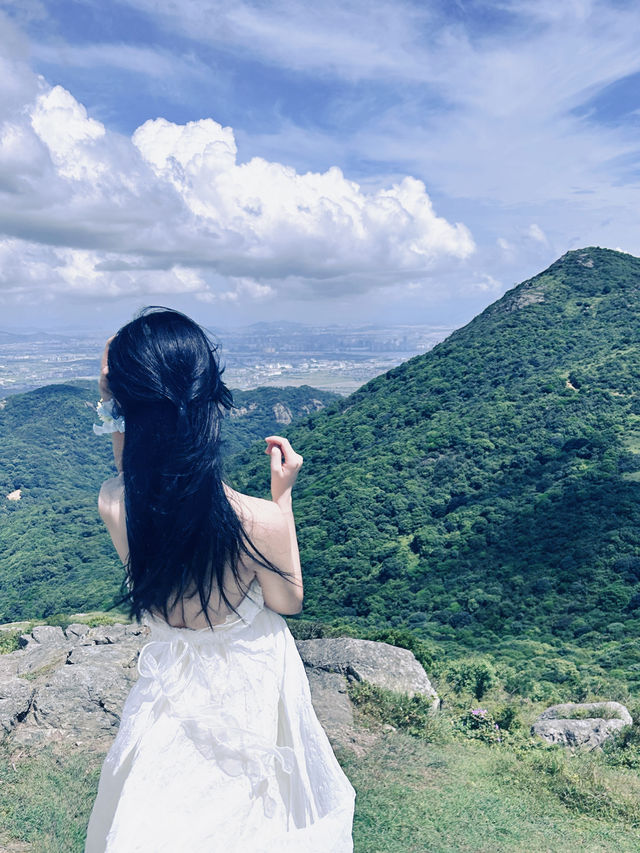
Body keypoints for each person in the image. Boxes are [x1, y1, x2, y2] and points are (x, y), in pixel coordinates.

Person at [84, 308, 355, 852]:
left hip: (170, 682)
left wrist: (114, 394)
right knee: (253, 816)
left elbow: (129, 462)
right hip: (252, 686)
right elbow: (288, 600)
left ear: (127, 410)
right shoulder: (256, 519)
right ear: (211, 402)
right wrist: (283, 500)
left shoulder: (115, 505)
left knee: (165, 808)